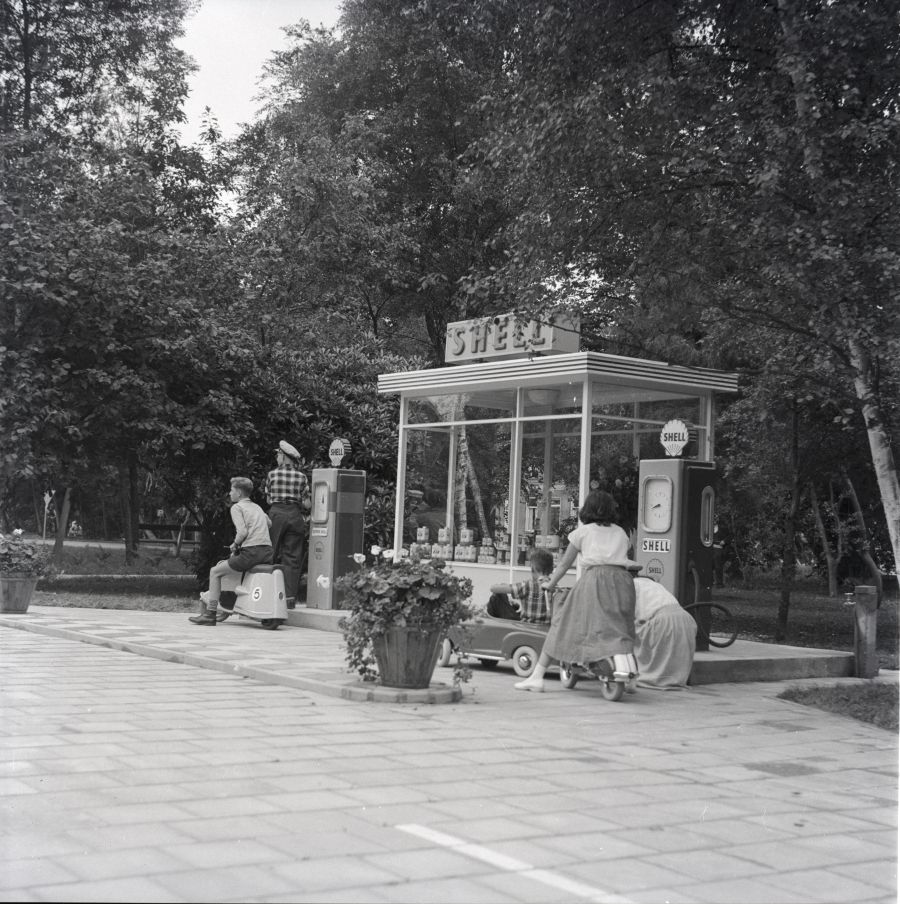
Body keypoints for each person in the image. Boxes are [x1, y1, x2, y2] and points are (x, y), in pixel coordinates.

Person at [513, 490, 636, 693]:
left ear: (588, 509)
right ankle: (628, 675)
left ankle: (537, 676)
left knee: (563, 623)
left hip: (595, 581)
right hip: (623, 582)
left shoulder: (583, 532)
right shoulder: (621, 533)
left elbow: (563, 566)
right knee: (619, 627)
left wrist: (549, 584)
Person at [189, 477, 273, 626]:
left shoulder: (237, 508)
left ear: (239, 493)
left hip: (251, 553)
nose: (229, 493)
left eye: (232, 490)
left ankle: (210, 614)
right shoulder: (257, 507)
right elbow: (269, 523)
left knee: (215, 571)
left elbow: (242, 532)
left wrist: (234, 544)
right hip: (267, 552)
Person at [632, 576, 697, 689]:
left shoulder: (630, 585)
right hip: (686, 620)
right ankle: (672, 679)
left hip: (663, 621)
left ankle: (651, 679)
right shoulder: (655, 585)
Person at [265, 440, 308, 608]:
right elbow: (307, 504)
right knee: (292, 558)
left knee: (270, 552)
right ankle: (289, 599)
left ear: (284, 457)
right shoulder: (302, 477)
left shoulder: (272, 475)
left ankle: (267, 595)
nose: (277, 457)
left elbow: (268, 499)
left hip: (277, 514)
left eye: (278, 454)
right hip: (295, 516)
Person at [488, 548, 553, 625]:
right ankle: (513, 606)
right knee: (514, 606)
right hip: (545, 628)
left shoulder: (527, 585)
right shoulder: (555, 587)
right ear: (551, 569)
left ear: (533, 568)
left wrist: (503, 586)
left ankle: (493, 628)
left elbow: (493, 588)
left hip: (526, 627)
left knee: (496, 597)